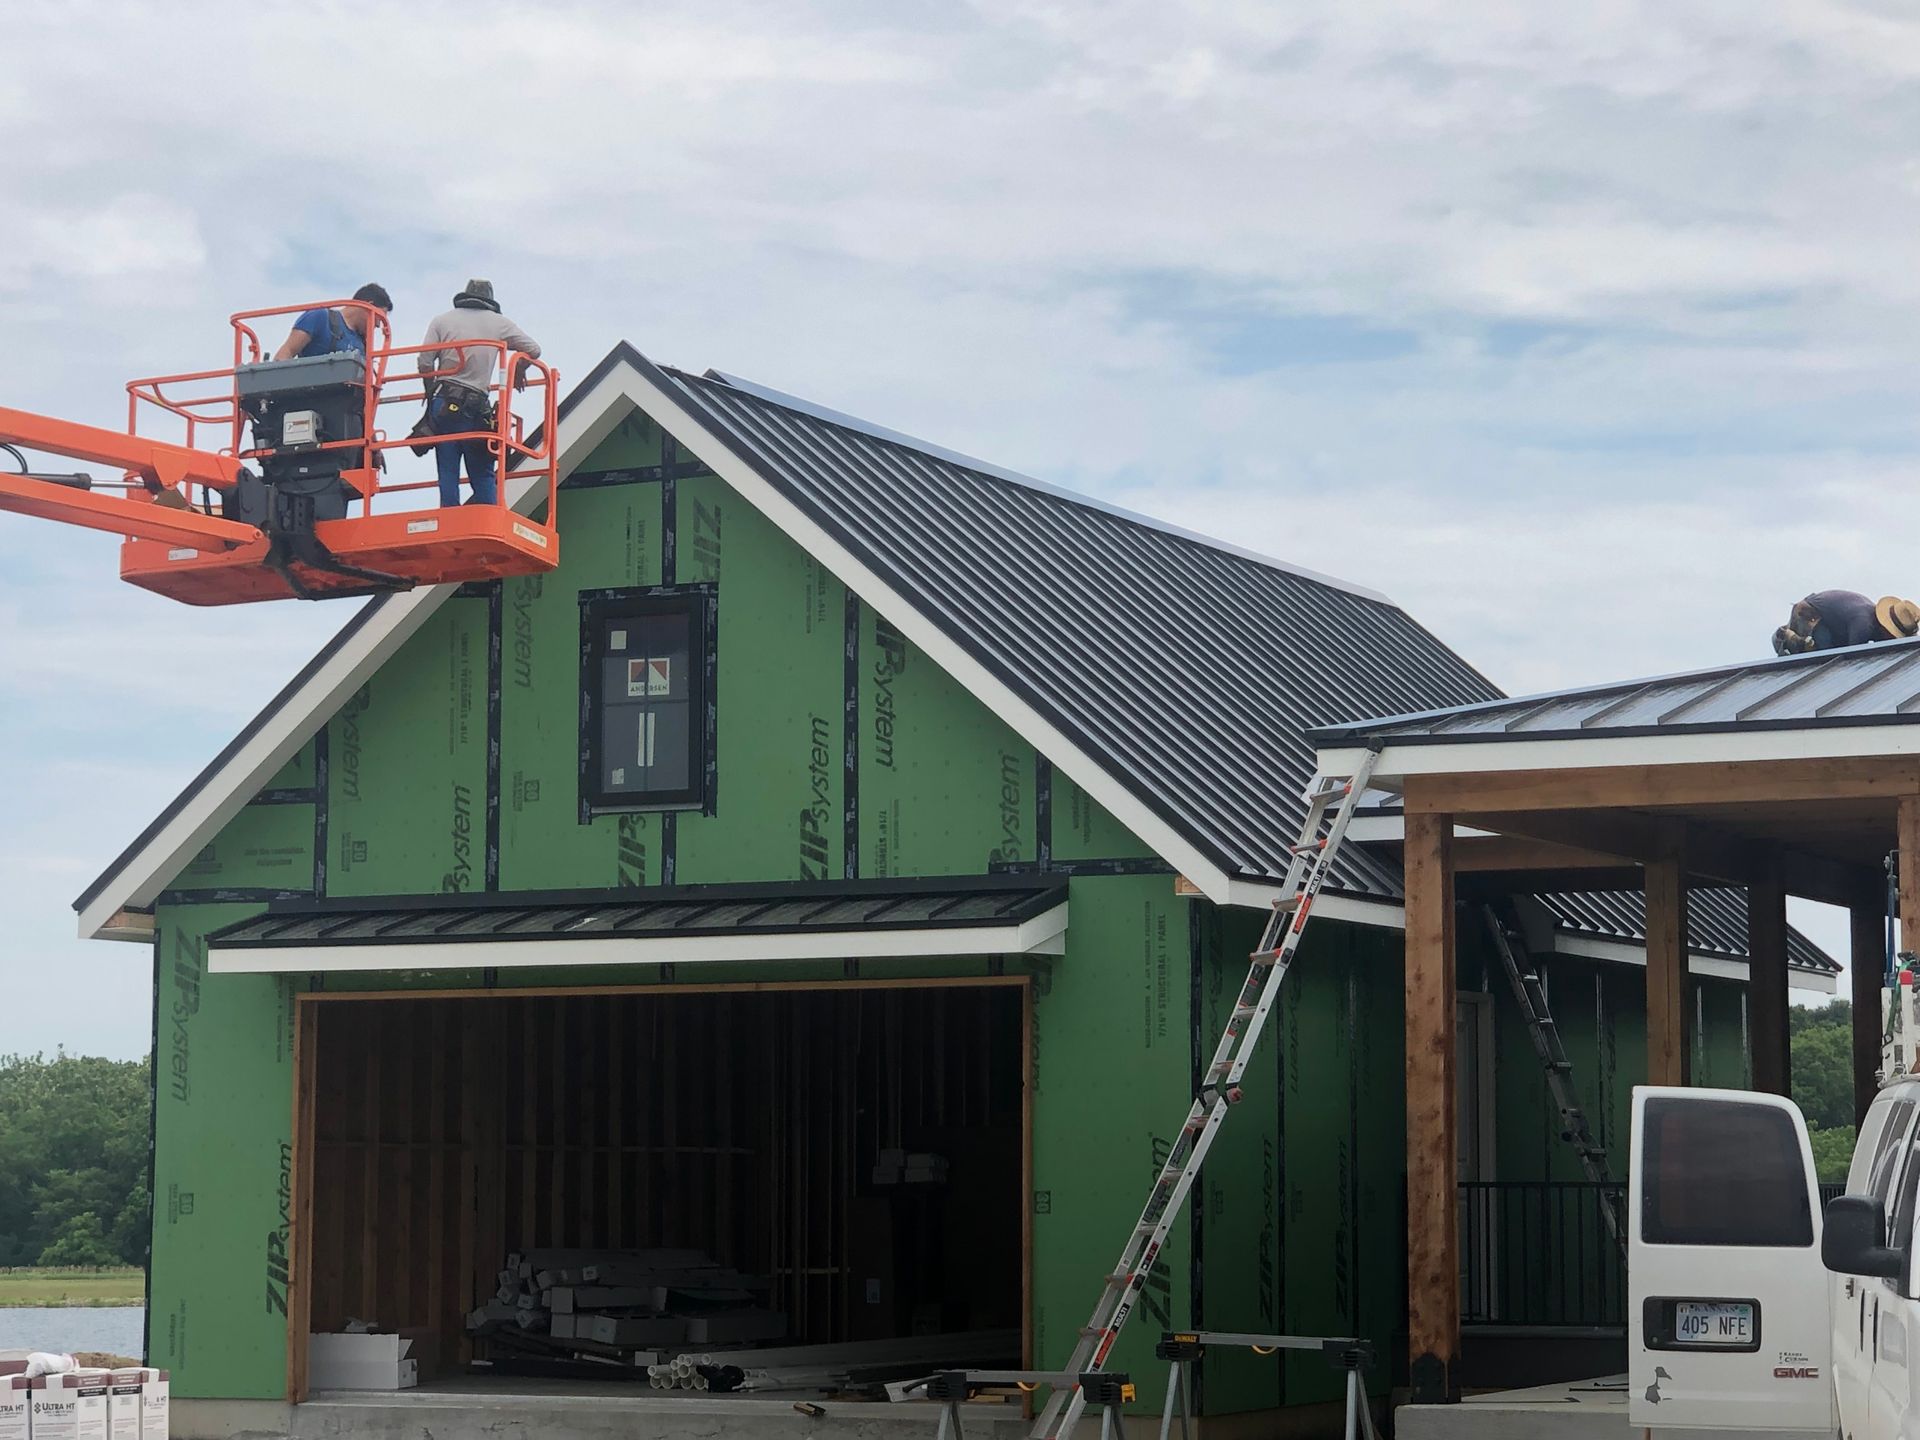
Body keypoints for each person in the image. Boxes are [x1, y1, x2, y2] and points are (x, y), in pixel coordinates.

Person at [416, 279, 541, 507]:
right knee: (482, 471)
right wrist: (518, 370)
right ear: (490, 300)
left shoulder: (442, 320)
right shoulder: (499, 323)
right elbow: (533, 349)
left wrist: (430, 392)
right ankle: (490, 517)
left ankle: (449, 518)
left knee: (447, 467)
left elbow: (425, 363)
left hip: (444, 401)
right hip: (475, 406)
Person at [1773, 591, 1920, 655]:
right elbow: (1853, 655)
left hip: (1832, 622)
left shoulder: (1867, 617)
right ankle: (1793, 640)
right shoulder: (1864, 624)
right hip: (1810, 616)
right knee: (1827, 654)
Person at [270, 284, 393, 361]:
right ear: (368, 306)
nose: (377, 325)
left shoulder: (363, 344)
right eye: (378, 317)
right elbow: (286, 353)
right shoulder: (320, 318)